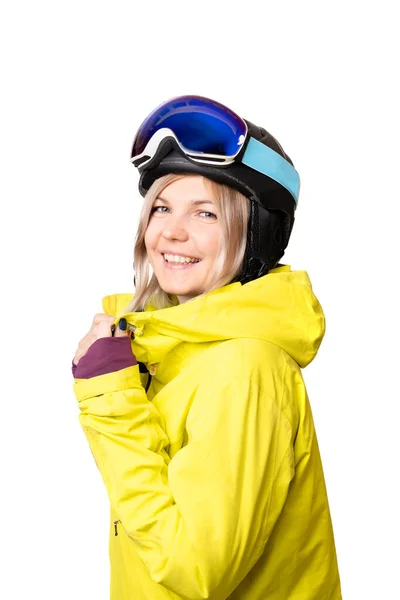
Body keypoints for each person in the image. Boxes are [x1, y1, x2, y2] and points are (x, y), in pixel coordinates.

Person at [72, 95, 342, 599]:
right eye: (161, 207)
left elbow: (194, 569)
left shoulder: (243, 368)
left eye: (206, 214)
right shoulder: (171, 348)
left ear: (256, 235)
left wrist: (110, 399)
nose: (171, 232)